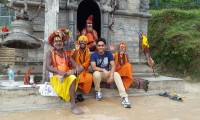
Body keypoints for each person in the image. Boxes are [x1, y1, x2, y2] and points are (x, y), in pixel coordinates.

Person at [46, 29, 84, 115]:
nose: (58, 43)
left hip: (66, 76)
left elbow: (75, 64)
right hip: (57, 77)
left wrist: (77, 68)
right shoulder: (50, 53)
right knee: (72, 77)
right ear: (52, 43)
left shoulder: (67, 53)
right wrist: (60, 72)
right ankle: (73, 106)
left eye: (60, 41)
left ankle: (68, 74)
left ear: (63, 42)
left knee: (79, 69)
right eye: (56, 41)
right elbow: (47, 67)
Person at [90, 38, 131, 108]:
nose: (101, 47)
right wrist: (103, 70)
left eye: (102, 45)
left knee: (116, 74)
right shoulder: (93, 55)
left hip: (107, 74)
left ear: (105, 46)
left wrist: (111, 76)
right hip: (99, 75)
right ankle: (98, 91)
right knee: (96, 73)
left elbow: (113, 65)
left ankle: (124, 97)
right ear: (96, 46)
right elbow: (93, 67)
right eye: (99, 46)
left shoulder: (108, 54)